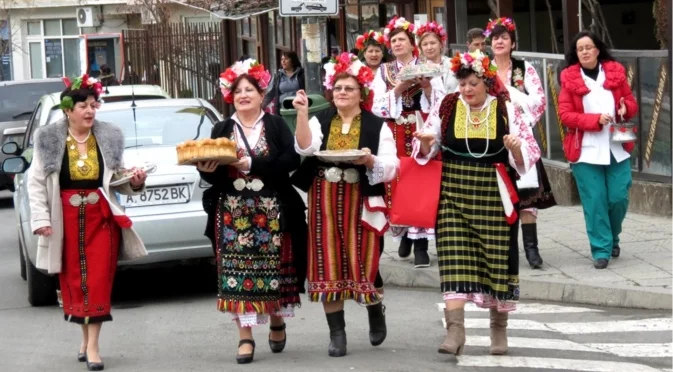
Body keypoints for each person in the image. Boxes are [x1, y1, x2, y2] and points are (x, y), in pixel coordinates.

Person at [413, 50, 540, 357]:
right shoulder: (447, 105)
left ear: (487, 82)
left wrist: (515, 148)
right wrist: (427, 144)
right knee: (454, 258)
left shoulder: (506, 109)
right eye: (462, 84)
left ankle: (498, 329)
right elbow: (428, 141)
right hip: (453, 192)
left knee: (497, 259)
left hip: (493, 194)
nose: (467, 89)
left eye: (473, 83)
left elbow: (527, 158)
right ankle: (455, 331)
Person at [27, 73, 148, 371]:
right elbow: (36, 183)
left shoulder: (108, 137)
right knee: (75, 283)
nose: (90, 111)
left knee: (96, 282)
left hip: (101, 221)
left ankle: (93, 347)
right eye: (83, 106)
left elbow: (116, 179)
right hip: (64, 220)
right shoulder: (49, 140)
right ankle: (85, 337)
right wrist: (41, 219)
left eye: (94, 105)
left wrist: (134, 181)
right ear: (68, 109)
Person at [198, 59, 306, 364]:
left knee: (273, 270)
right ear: (230, 96)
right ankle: (245, 338)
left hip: (272, 210)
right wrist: (207, 170)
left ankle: (275, 320)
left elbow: (291, 161)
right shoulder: (222, 128)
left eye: (250, 89)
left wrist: (252, 164)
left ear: (262, 95)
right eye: (238, 90)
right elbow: (213, 174)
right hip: (233, 212)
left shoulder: (273, 125)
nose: (244, 95)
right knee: (237, 273)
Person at [291, 53, 399, 357]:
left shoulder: (378, 125)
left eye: (349, 88)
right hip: (324, 195)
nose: (342, 92)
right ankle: (337, 334)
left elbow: (392, 165)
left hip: (360, 197)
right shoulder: (321, 119)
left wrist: (370, 159)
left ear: (361, 93)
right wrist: (301, 113)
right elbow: (305, 146)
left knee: (366, 262)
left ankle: (375, 309)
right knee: (327, 264)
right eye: (337, 87)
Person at [558, 31, 638, 269]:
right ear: (576, 53)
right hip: (586, 149)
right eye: (580, 48)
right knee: (595, 201)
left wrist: (625, 108)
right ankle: (601, 249)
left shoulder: (614, 73)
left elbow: (631, 102)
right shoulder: (570, 79)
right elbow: (565, 115)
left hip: (617, 144)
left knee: (618, 197)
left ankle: (613, 236)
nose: (584, 51)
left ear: (597, 50)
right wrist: (594, 120)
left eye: (588, 47)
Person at [486, 17, 556, 269]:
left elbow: (539, 101)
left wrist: (511, 101)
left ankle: (532, 249)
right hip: (492, 137)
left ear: (513, 42)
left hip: (522, 135)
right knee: (500, 194)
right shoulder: (484, 69)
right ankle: (505, 249)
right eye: (495, 38)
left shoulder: (524, 69)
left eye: (504, 37)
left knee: (527, 194)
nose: (499, 41)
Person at [373, 16, 433, 268]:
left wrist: (427, 87)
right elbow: (376, 106)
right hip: (396, 131)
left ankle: (421, 245)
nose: (397, 44)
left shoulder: (428, 66)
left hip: (421, 128)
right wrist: (397, 89)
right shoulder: (384, 71)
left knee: (419, 183)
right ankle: (405, 233)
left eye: (402, 39)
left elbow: (441, 101)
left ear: (412, 43)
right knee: (397, 183)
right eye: (393, 40)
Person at [416, 21, 458, 110]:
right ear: (421, 48)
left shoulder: (453, 63)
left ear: (441, 44)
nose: (429, 47)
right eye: (425, 44)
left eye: (433, 43)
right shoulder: (419, 70)